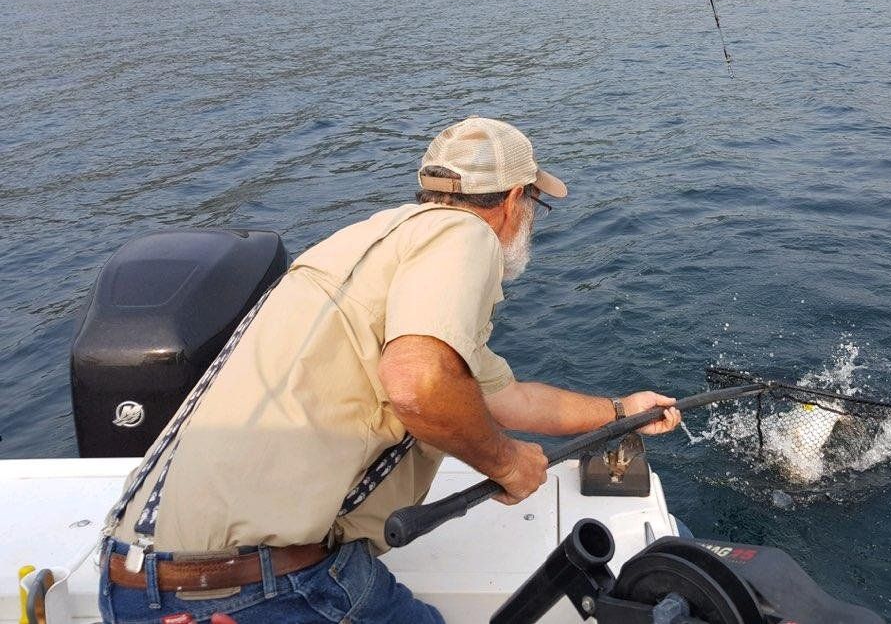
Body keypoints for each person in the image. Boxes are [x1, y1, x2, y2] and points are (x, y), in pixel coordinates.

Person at [97, 116, 683, 623]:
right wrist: (506, 462)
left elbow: (505, 398)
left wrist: (619, 411)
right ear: (512, 201)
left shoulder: (373, 242)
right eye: (535, 204)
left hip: (135, 575)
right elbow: (418, 382)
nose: (530, 217)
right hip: (247, 588)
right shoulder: (464, 237)